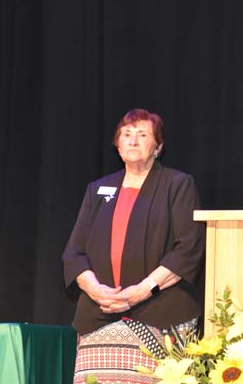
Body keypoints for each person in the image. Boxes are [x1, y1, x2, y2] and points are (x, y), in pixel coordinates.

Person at [62, 109, 204, 384]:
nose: (133, 141)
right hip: (99, 313)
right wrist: (96, 290)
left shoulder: (177, 184)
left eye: (142, 135)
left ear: (158, 146)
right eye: (126, 135)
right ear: (117, 144)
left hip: (160, 312)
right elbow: (74, 254)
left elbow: (187, 250)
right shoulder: (98, 189)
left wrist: (140, 291)